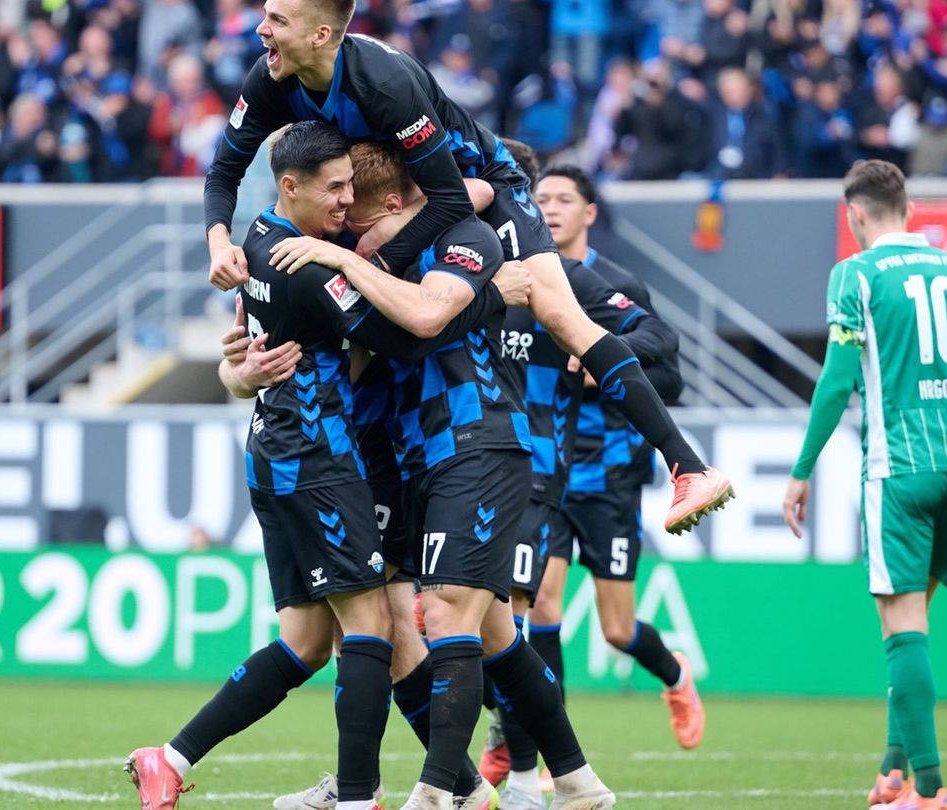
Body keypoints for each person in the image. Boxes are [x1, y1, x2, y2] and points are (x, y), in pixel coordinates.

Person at [200, 0, 732, 535]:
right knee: (366, 323)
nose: (260, 28)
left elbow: (456, 198)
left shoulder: (383, 83)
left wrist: (377, 260)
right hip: (400, 201)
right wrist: (220, 241)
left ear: (320, 34)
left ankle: (688, 466)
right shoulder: (272, 76)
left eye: (276, 20)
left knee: (563, 318)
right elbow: (223, 170)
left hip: (479, 183)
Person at [125, 122, 515, 810]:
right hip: (320, 460)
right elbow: (406, 335)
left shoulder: (259, 243)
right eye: (334, 189)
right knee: (372, 629)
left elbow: (244, 356)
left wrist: (239, 371)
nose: (344, 201)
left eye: (351, 187)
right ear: (290, 187)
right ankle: (361, 799)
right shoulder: (304, 264)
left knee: (307, 641)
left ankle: (169, 757)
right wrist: (486, 294)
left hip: (282, 455)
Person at [267, 138, 617, 810]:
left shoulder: (464, 240)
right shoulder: (381, 259)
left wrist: (345, 256)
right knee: (487, 634)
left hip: (477, 443)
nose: (350, 226)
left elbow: (428, 310)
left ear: (395, 203)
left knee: (446, 618)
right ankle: (577, 781)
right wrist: (242, 368)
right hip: (413, 455)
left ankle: (435, 794)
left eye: (359, 215)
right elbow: (367, 349)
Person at [781, 160, 947, 810]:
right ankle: (893, 768)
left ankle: (932, 789)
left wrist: (801, 470)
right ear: (907, 208)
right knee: (916, 622)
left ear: (855, 214)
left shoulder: (855, 274)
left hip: (899, 470)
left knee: (900, 626)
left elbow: (835, 381)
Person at [480, 160, 703, 810]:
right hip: (539, 469)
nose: (548, 206)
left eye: (561, 198)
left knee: (614, 627)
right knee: (539, 605)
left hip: (607, 474)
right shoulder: (515, 272)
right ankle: (546, 754)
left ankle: (673, 672)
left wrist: (596, 358)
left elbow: (670, 375)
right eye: (539, 196)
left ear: (588, 213)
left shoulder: (610, 283)